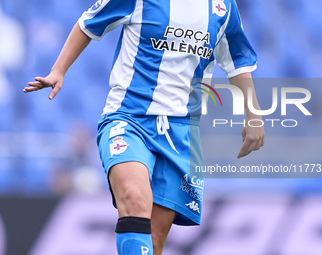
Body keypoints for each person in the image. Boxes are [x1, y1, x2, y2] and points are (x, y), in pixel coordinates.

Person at [24, 0, 265, 254]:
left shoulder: (223, 6)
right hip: (129, 118)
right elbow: (88, 22)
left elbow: (238, 58)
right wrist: (58, 70)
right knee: (134, 196)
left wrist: (253, 113)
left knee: (155, 237)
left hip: (181, 132)